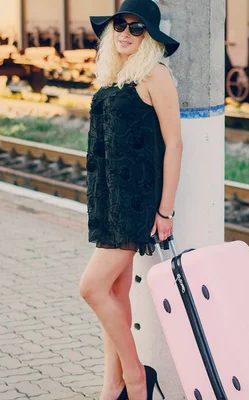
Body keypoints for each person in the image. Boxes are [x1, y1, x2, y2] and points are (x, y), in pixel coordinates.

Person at [78, 0, 183, 399]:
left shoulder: (156, 75)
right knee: (116, 295)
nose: (125, 32)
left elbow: (174, 144)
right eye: (120, 25)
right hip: (107, 198)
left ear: (151, 37)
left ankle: (137, 378)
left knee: (91, 288)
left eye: (136, 28)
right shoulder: (114, 74)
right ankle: (112, 388)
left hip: (135, 202)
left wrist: (165, 210)